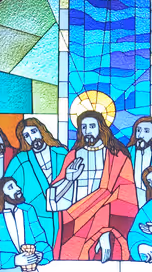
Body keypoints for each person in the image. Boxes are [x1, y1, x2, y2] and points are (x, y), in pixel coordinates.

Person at [47, 110, 137, 261]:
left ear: (101, 128)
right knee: (72, 257)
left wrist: (106, 225)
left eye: (92, 126)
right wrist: (69, 179)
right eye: (84, 127)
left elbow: (127, 193)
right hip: (74, 217)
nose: (88, 131)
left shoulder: (117, 156)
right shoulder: (73, 155)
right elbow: (54, 195)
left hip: (105, 219)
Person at [3, 117, 66, 258]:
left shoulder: (61, 154)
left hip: (64, 217)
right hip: (34, 219)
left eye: (33, 131)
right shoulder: (20, 160)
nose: (32, 138)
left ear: (42, 131)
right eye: (26, 136)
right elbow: (5, 188)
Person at [0, 176, 52, 272]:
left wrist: (39, 254)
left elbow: (43, 243)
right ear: (1, 195)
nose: (18, 189)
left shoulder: (28, 211)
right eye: (11, 187)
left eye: (16, 185)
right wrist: (14, 260)